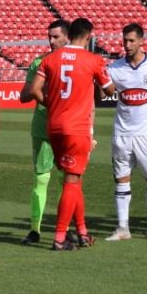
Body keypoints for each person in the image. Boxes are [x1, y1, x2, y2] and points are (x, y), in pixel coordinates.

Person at [31, 17, 114, 250]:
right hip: (76, 128)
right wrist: (97, 84)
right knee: (71, 180)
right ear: (88, 36)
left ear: (69, 34)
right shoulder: (93, 59)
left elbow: (34, 90)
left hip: (54, 126)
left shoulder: (50, 59)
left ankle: (82, 232)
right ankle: (59, 238)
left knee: (74, 179)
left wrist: (51, 105)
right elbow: (108, 91)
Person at [105, 23, 147, 242]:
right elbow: (104, 91)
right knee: (122, 179)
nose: (127, 45)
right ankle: (122, 228)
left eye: (132, 40)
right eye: (125, 40)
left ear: (142, 41)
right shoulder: (115, 68)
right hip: (122, 133)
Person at [18, 19, 69, 245]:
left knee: (68, 180)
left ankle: (64, 228)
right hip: (42, 127)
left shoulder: (75, 64)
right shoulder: (38, 62)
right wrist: (43, 95)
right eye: (49, 36)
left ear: (67, 37)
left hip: (68, 128)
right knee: (41, 178)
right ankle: (35, 229)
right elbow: (23, 95)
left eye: (56, 37)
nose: (51, 40)